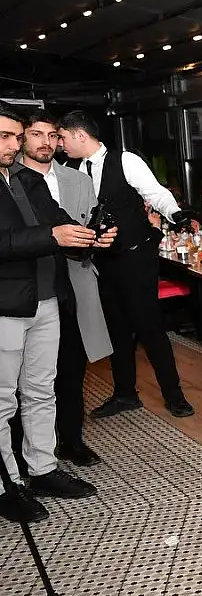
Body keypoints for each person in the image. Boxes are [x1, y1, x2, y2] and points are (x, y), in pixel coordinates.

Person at [0, 104, 110, 523]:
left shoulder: (27, 180)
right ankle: (7, 486)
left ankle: (42, 468)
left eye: (16, 136)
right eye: (5, 136)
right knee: (2, 401)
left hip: (47, 300)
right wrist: (52, 235)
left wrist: (92, 237)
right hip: (7, 305)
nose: (13, 144)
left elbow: (61, 225)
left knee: (41, 391)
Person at [56, 111, 195, 418]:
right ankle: (125, 394)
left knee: (149, 328)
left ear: (80, 135)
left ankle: (174, 395)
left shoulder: (125, 160)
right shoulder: (70, 169)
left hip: (135, 258)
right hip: (100, 263)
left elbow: (155, 193)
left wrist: (176, 214)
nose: (60, 144)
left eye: (62, 137)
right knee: (115, 330)